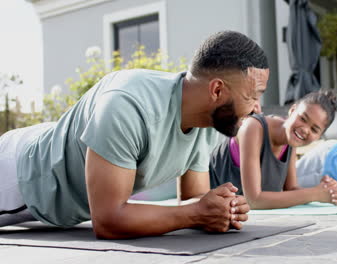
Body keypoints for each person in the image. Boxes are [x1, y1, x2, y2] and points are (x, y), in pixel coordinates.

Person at [0, 30, 270, 238]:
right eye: (252, 96)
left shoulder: (209, 120)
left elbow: (193, 199)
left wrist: (221, 208)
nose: (258, 108)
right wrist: (197, 213)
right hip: (21, 176)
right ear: (217, 90)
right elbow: (108, 220)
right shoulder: (125, 105)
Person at [209, 90, 337, 210]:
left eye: (314, 129)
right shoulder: (254, 127)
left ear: (319, 136)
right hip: (206, 202)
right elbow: (253, 200)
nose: (304, 129)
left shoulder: (290, 140)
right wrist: (315, 194)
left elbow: (291, 189)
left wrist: (327, 191)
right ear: (292, 110)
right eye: (303, 118)